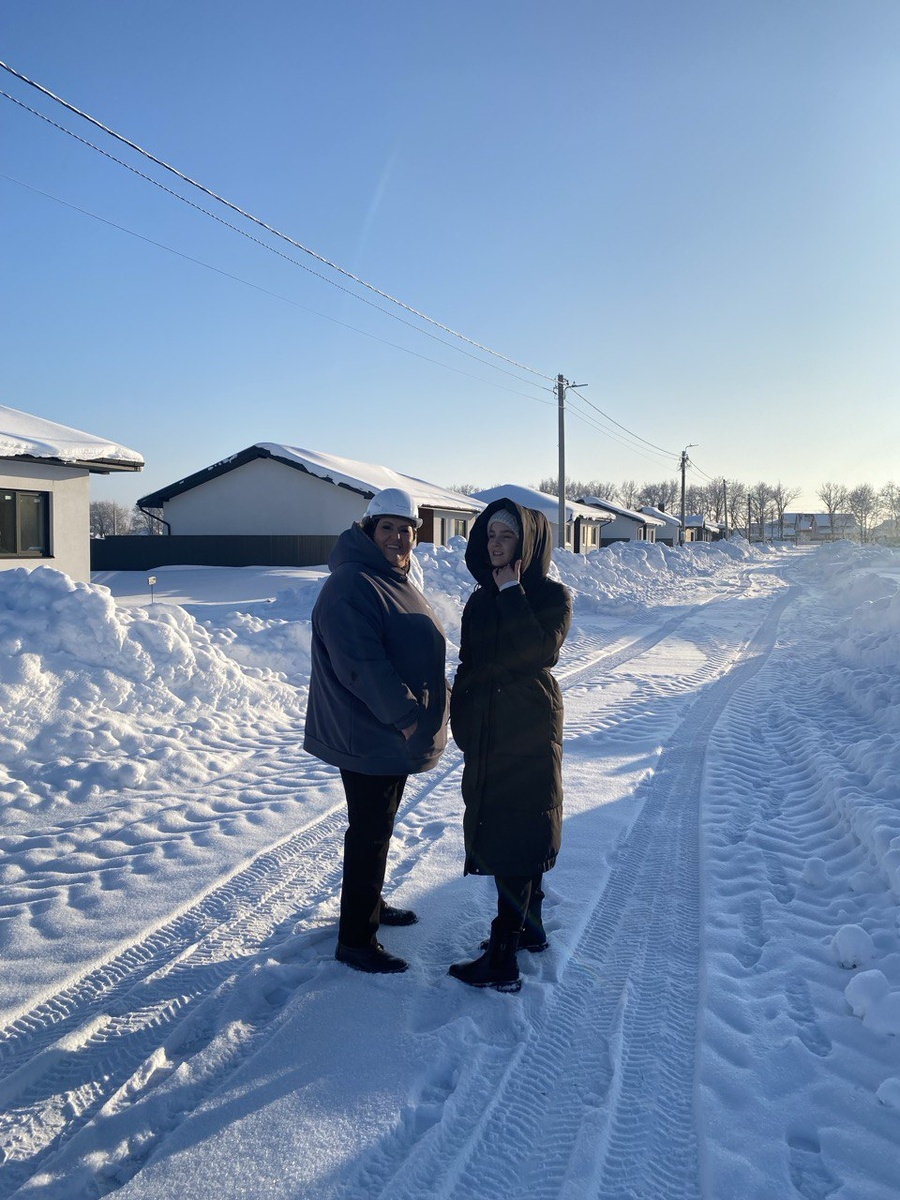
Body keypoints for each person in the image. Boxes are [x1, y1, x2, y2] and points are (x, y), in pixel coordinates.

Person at [304, 487, 449, 974]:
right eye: (387, 527)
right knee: (368, 832)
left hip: (384, 733)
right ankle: (356, 940)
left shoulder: (388, 576)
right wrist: (407, 718)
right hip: (372, 731)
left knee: (378, 828)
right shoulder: (352, 582)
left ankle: (372, 904)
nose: (398, 537)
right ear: (369, 530)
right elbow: (360, 663)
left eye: (406, 529)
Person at [448, 498, 572, 992]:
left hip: (528, 725)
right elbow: (468, 663)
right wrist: (462, 719)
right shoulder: (479, 599)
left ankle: (502, 957)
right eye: (490, 537)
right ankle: (531, 932)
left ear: (528, 544)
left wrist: (512, 592)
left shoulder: (551, 596)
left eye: (505, 537)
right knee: (506, 823)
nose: (494, 545)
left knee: (519, 831)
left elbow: (538, 651)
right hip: (488, 729)